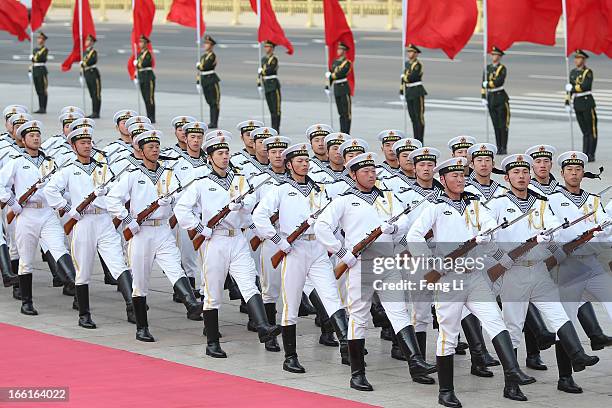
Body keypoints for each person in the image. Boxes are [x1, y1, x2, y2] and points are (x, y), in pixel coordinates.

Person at [406, 156, 536, 406]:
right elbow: (414, 235)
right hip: (448, 279)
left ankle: (512, 373)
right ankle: (446, 391)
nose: (460, 179)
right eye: (454, 176)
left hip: (475, 276)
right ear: (442, 180)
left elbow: (489, 225)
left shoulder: (474, 204)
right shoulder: (433, 205)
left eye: (462, 175)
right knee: (448, 336)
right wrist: (432, 262)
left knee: (495, 322)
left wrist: (485, 235)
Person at [315, 152, 437, 391]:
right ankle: (357, 373)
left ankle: (416, 362)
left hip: (387, 263)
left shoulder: (387, 197)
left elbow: (404, 222)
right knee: (359, 318)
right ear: (353, 174)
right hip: (361, 264)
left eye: (373, 171)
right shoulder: (344, 200)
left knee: (399, 312)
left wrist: (392, 227)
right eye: (365, 172)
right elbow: (322, 227)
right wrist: (342, 253)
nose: (371, 175)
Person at [487, 153, 600, 395]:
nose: (521, 176)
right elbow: (485, 236)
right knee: (514, 328)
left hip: (538, 271)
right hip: (513, 273)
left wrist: (551, 239)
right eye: (516, 173)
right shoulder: (497, 203)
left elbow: (553, 231)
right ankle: (511, 384)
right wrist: (501, 258)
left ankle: (577, 355)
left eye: (525, 172)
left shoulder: (540, 202)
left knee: (559, 315)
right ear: (507, 177)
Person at [173, 130, 281, 358]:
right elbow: (181, 209)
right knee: (213, 294)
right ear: (210, 157)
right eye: (220, 153)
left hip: (238, 239)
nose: (224, 157)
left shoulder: (240, 179)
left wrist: (241, 205)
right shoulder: (201, 182)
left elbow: (252, 203)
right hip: (215, 240)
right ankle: (212, 341)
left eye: (226, 152)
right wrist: (200, 228)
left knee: (250, 284)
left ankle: (263, 327)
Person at [253, 142, 350, 371]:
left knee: (331, 297)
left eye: (306, 161)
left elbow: (332, 221)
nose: (305, 164)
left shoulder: (320, 190)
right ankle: (290, 357)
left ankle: (346, 344)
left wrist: (332, 244)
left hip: (316, 249)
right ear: (289, 165)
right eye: (299, 161)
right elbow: (260, 216)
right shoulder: (281, 190)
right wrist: (278, 240)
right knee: (292, 304)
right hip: (294, 249)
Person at [105, 130, 204, 342]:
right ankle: (142, 327)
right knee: (140, 281)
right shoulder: (132, 173)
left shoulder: (168, 173)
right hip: (141, 232)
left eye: (157, 146)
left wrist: (174, 202)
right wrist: (128, 219)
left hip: (163, 229)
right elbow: (113, 200)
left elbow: (181, 197)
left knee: (175, 267)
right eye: (150, 147)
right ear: (140, 151)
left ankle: (191, 302)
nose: (156, 150)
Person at [44, 127, 136, 327]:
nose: (87, 146)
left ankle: (132, 306)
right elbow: (50, 190)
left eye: (89, 142)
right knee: (83, 270)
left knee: (118, 263)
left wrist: (106, 192)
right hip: (83, 221)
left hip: (103, 220)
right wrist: (69, 208)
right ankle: (84, 314)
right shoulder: (69, 169)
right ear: (73, 145)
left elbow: (118, 190)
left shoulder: (103, 168)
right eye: (82, 143)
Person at [0, 121, 78, 315]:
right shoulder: (16, 161)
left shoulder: (50, 162)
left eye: (38, 135)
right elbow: (1, 185)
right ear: (23, 139)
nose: (36, 138)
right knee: (26, 260)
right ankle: (26, 301)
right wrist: (14, 204)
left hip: (47, 213)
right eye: (31, 136)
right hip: (26, 215)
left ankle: (73, 282)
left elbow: (63, 188)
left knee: (59, 247)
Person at [566, 50, 598, 162]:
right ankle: (585, 153)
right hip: (577, 104)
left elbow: (586, 86)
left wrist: (573, 88)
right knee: (584, 131)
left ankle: (591, 153)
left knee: (591, 130)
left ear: (583, 60)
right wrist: (567, 102)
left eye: (579, 58)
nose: (576, 60)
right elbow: (568, 89)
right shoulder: (572, 72)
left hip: (587, 103)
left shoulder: (588, 72)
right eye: (575, 58)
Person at [482, 46, 510, 154]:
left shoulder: (502, 68)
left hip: (500, 97)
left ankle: (504, 147)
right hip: (491, 98)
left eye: (497, 55)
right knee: (495, 125)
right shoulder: (488, 68)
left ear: (500, 57)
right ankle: (498, 146)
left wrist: (488, 84)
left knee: (503, 125)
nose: (494, 57)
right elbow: (482, 83)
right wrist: (483, 97)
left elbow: (499, 81)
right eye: (493, 55)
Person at [400, 44, 427, 142]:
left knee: (419, 117)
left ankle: (420, 140)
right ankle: (416, 139)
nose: (409, 53)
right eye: (408, 51)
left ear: (416, 54)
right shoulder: (407, 64)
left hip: (417, 91)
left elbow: (412, 77)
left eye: (411, 52)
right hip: (409, 92)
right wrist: (402, 91)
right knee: (413, 117)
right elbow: (403, 80)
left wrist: (404, 77)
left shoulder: (418, 65)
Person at [326, 42, 352, 134]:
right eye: (338, 49)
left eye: (340, 49)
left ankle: (346, 132)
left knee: (346, 113)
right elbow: (331, 75)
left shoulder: (347, 63)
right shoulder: (334, 62)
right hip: (336, 88)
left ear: (344, 51)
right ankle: (342, 130)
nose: (338, 51)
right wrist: (327, 86)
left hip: (344, 88)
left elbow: (341, 73)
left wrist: (331, 75)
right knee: (340, 112)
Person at [197, 35, 221, 129]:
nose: (205, 45)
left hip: (211, 79)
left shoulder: (212, 56)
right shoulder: (203, 56)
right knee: (209, 101)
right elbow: (200, 70)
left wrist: (199, 66)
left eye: (207, 44)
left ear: (211, 45)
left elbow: (204, 67)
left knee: (214, 102)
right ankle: (212, 121)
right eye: (205, 43)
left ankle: (214, 122)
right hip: (204, 80)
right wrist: (198, 81)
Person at [258, 41, 281, 132]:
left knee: (276, 107)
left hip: (273, 84)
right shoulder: (263, 59)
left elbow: (270, 70)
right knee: (270, 107)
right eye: (265, 46)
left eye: (268, 47)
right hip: (266, 84)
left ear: (272, 48)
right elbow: (260, 73)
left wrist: (262, 71)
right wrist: (259, 82)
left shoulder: (274, 59)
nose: (266, 48)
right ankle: (273, 126)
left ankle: (276, 127)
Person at [135, 35, 156, 123]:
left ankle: (152, 116)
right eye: (140, 42)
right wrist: (136, 75)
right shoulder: (140, 54)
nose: (140, 44)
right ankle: (148, 115)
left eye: (142, 42)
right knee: (145, 97)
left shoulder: (147, 54)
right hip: (142, 77)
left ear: (146, 44)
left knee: (149, 97)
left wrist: (137, 64)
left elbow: (145, 63)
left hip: (148, 77)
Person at [81, 35, 101, 119]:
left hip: (93, 73)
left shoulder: (93, 52)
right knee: (91, 94)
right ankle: (93, 112)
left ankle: (96, 112)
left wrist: (83, 64)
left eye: (89, 41)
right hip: (87, 73)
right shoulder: (85, 52)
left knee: (96, 93)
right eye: (86, 40)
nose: (87, 42)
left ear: (92, 42)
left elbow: (91, 61)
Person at [31, 32, 49, 114]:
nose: (39, 40)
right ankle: (40, 107)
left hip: (41, 70)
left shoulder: (45, 50)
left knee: (43, 89)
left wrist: (34, 58)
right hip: (35, 70)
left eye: (41, 38)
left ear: (44, 40)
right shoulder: (35, 49)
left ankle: (43, 107)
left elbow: (42, 58)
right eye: (38, 38)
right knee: (38, 89)